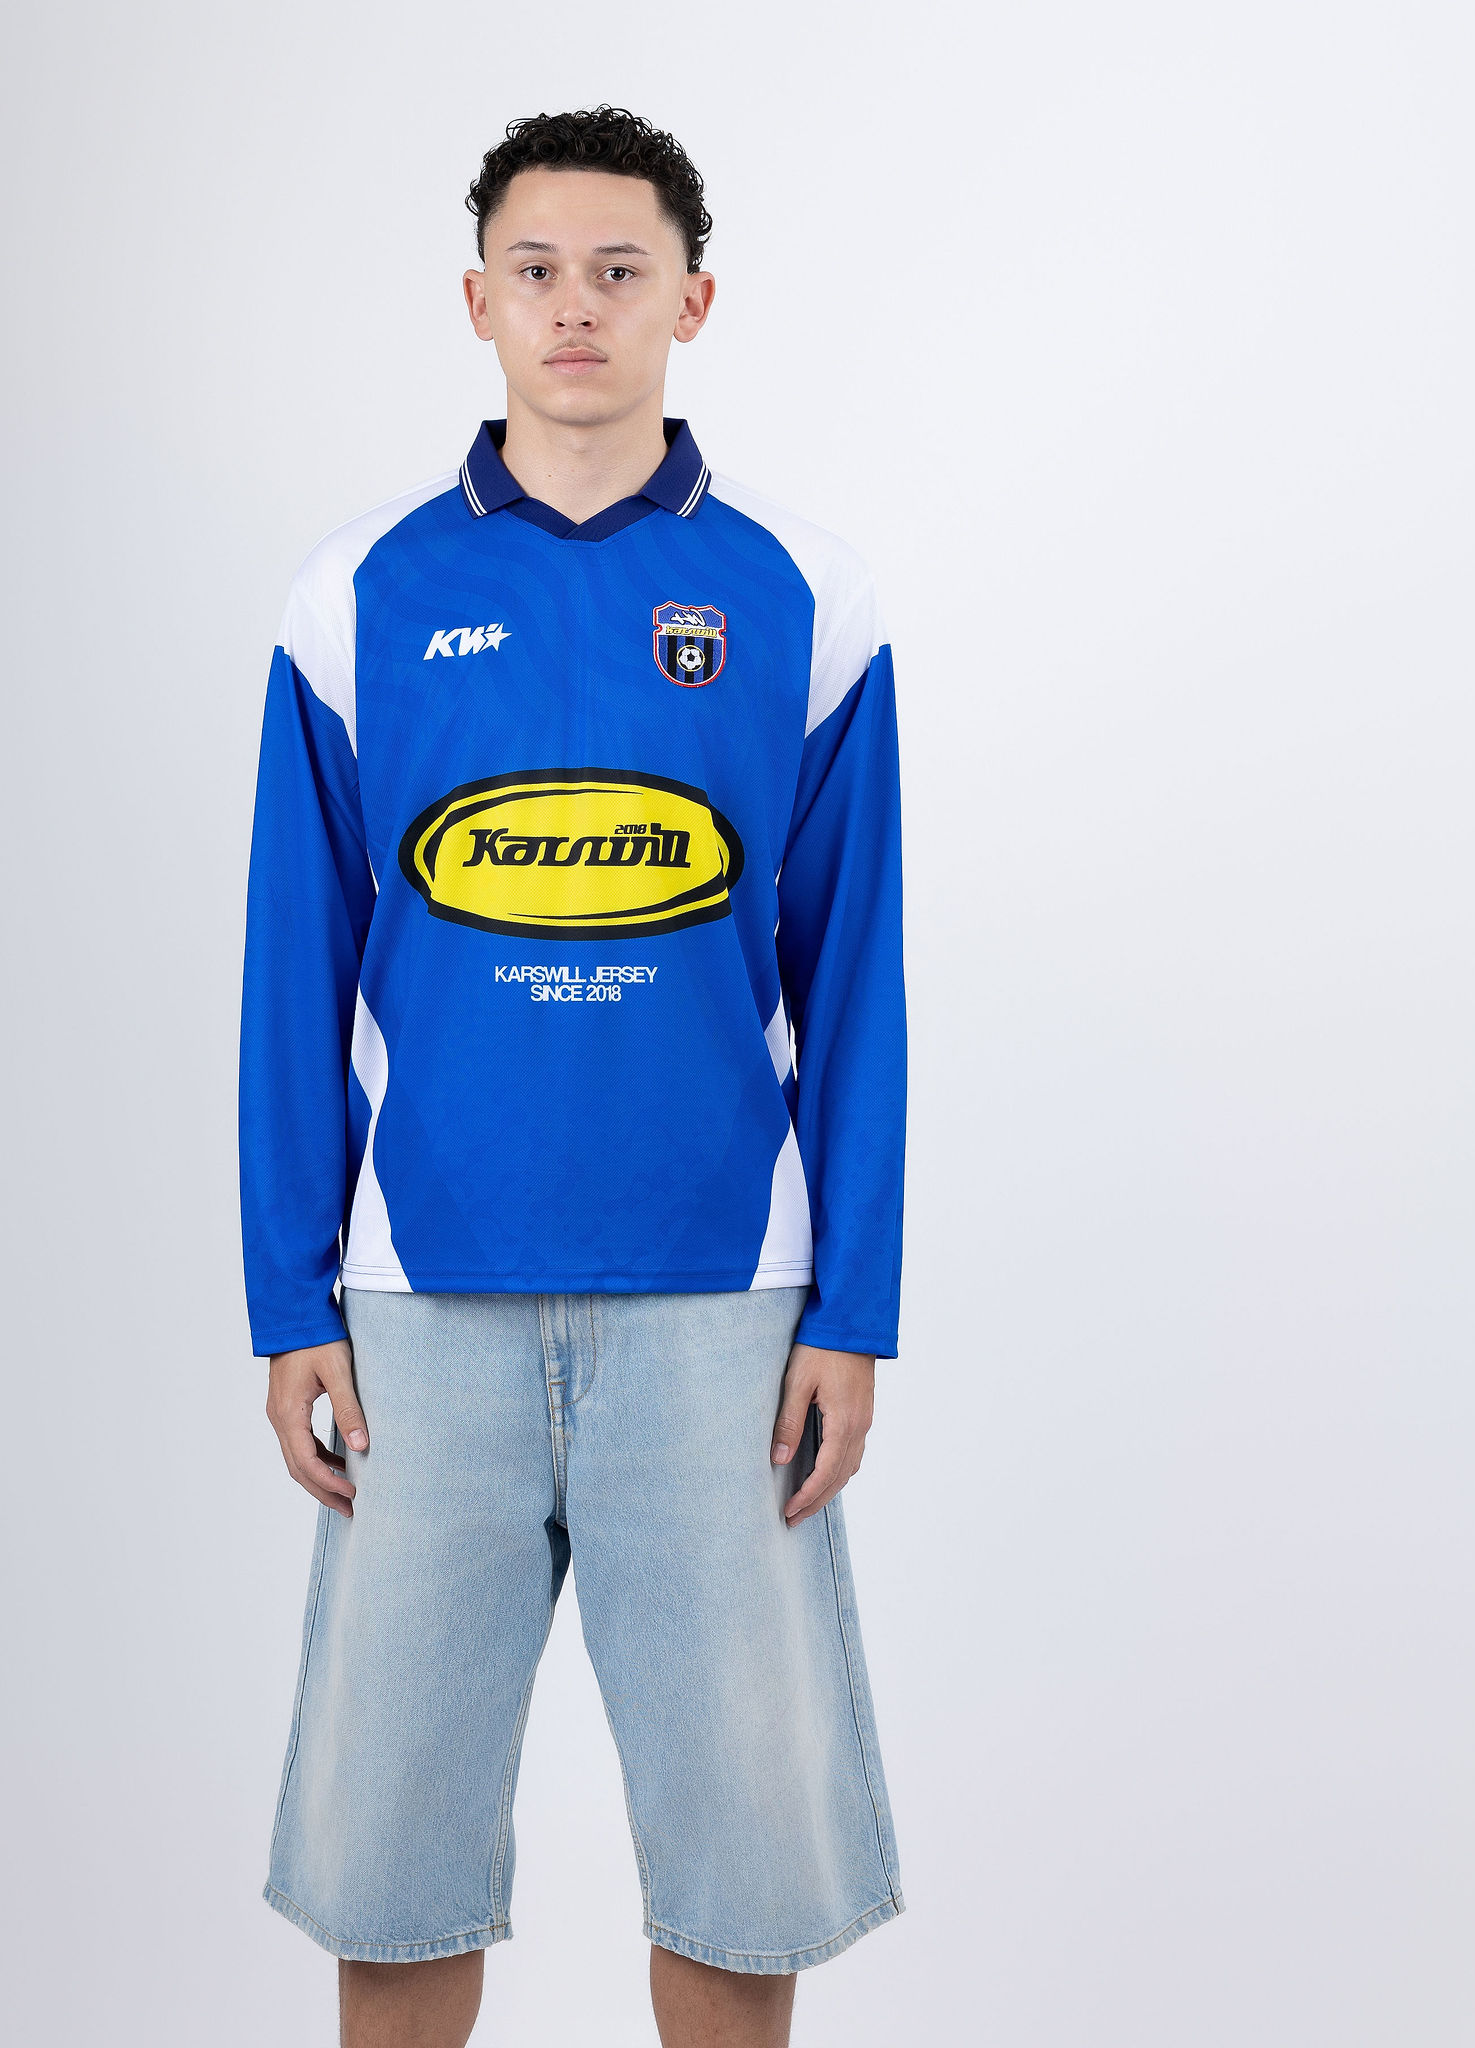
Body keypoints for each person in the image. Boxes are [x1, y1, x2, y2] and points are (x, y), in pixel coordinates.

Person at [239, 106, 907, 2048]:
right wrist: (289, 1297)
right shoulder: (351, 601)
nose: (576, 306)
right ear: (478, 301)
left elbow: (857, 985)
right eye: (535, 270)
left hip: (724, 1311)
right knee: (390, 1862)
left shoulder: (805, 600)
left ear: (693, 300)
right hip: (414, 1305)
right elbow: (291, 981)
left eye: (621, 269)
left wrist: (851, 1308)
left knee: (746, 1868)